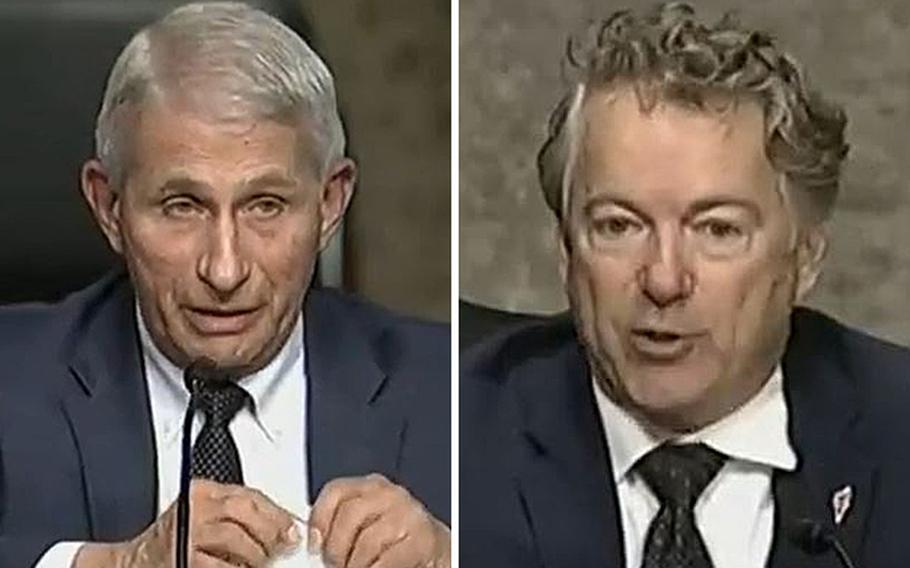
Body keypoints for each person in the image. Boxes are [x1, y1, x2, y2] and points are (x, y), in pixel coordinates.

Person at [0, 3, 450, 567]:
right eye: (182, 206)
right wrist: (114, 564)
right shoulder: (9, 382)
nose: (224, 270)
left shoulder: (457, 391)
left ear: (330, 203)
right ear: (109, 206)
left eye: (266, 206)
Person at [461, 3, 910, 567]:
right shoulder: (457, 439)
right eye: (618, 226)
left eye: (717, 229)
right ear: (566, 252)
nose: (665, 280)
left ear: (806, 259)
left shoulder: (898, 438)